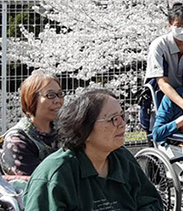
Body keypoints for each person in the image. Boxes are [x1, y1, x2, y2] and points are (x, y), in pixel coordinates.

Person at [23, 89, 163, 211]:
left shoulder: (122, 158)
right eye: (113, 119)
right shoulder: (56, 174)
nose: (122, 124)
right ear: (84, 128)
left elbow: (151, 202)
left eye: (122, 116)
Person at [0, 70, 63, 176]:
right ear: (31, 99)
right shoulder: (17, 139)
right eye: (50, 95)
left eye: (60, 94)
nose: (58, 100)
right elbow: (38, 182)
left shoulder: (64, 130)